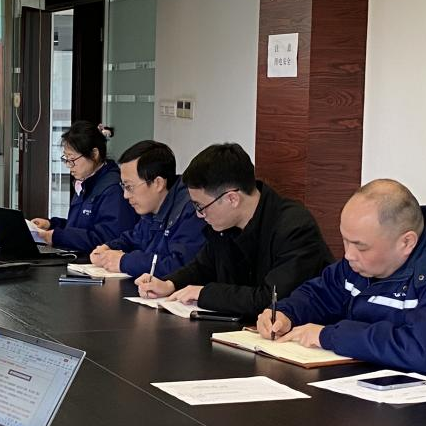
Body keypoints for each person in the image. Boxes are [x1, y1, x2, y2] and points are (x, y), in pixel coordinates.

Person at [257, 179, 426, 394]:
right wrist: (287, 313)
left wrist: (329, 335)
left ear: (406, 242)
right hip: (390, 391)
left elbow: (424, 351)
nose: (348, 255)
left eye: (360, 246)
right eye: (345, 240)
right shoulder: (365, 261)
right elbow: (323, 292)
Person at [135, 143, 332, 318]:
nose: (199, 215)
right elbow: (203, 267)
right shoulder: (224, 224)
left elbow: (271, 299)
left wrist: (204, 293)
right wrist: (169, 284)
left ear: (232, 199)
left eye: (200, 206)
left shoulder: (294, 228)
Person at [89, 140, 204, 278]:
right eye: (123, 186)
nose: (125, 195)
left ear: (158, 183)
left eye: (129, 187)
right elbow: (134, 238)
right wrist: (108, 248)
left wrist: (124, 262)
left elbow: (180, 266)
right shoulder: (152, 207)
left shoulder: (191, 210)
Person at [29, 121, 136, 253]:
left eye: (72, 159)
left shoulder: (113, 189)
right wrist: (51, 224)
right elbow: (80, 227)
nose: (69, 165)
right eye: (66, 159)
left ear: (94, 154)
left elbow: (109, 239)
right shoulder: (85, 181)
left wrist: (58, 237)